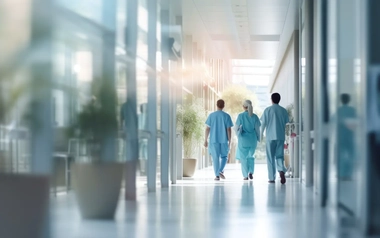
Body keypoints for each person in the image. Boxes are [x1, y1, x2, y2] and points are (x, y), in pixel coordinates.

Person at [260, 93, 289, 184]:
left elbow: (263, 125)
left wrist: (260, 136)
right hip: (280, 136)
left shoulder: (267, 110)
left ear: (271, 99)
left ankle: (271, 178)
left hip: (270, 137)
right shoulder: (283, 111)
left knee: (270, 157)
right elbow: (286, 124)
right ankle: (281, 170)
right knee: (279, 156)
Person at [204, 99, 233, 181]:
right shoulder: (227, 116)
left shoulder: (211, 115)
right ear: (223, 106)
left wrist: (205, 140)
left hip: (213, 140)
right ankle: (220, 170)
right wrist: (230, 141)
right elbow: (229, 129)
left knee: (215, 157)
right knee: (224, 156)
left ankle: (217, 175)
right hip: (224, 140)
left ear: (216, 105)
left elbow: (207, 129)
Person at [235, 100, 261, 180]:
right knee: (251, 156)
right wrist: (258, 138)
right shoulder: (255, 116)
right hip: (252, 139)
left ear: (243, 106)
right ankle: (251, 172)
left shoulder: (240, 116)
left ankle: (245, 176)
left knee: (243, 158)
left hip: (243, 139)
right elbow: (257, 129)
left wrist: (238, 135)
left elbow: (236, 128)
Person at [337, 93, 356, 180]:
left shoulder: (339, 110)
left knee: (341, 155)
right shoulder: (352, 110)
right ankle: (348, 174)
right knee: (350, 155)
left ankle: (342, 173)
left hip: (341, 136)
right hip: (350, 135)